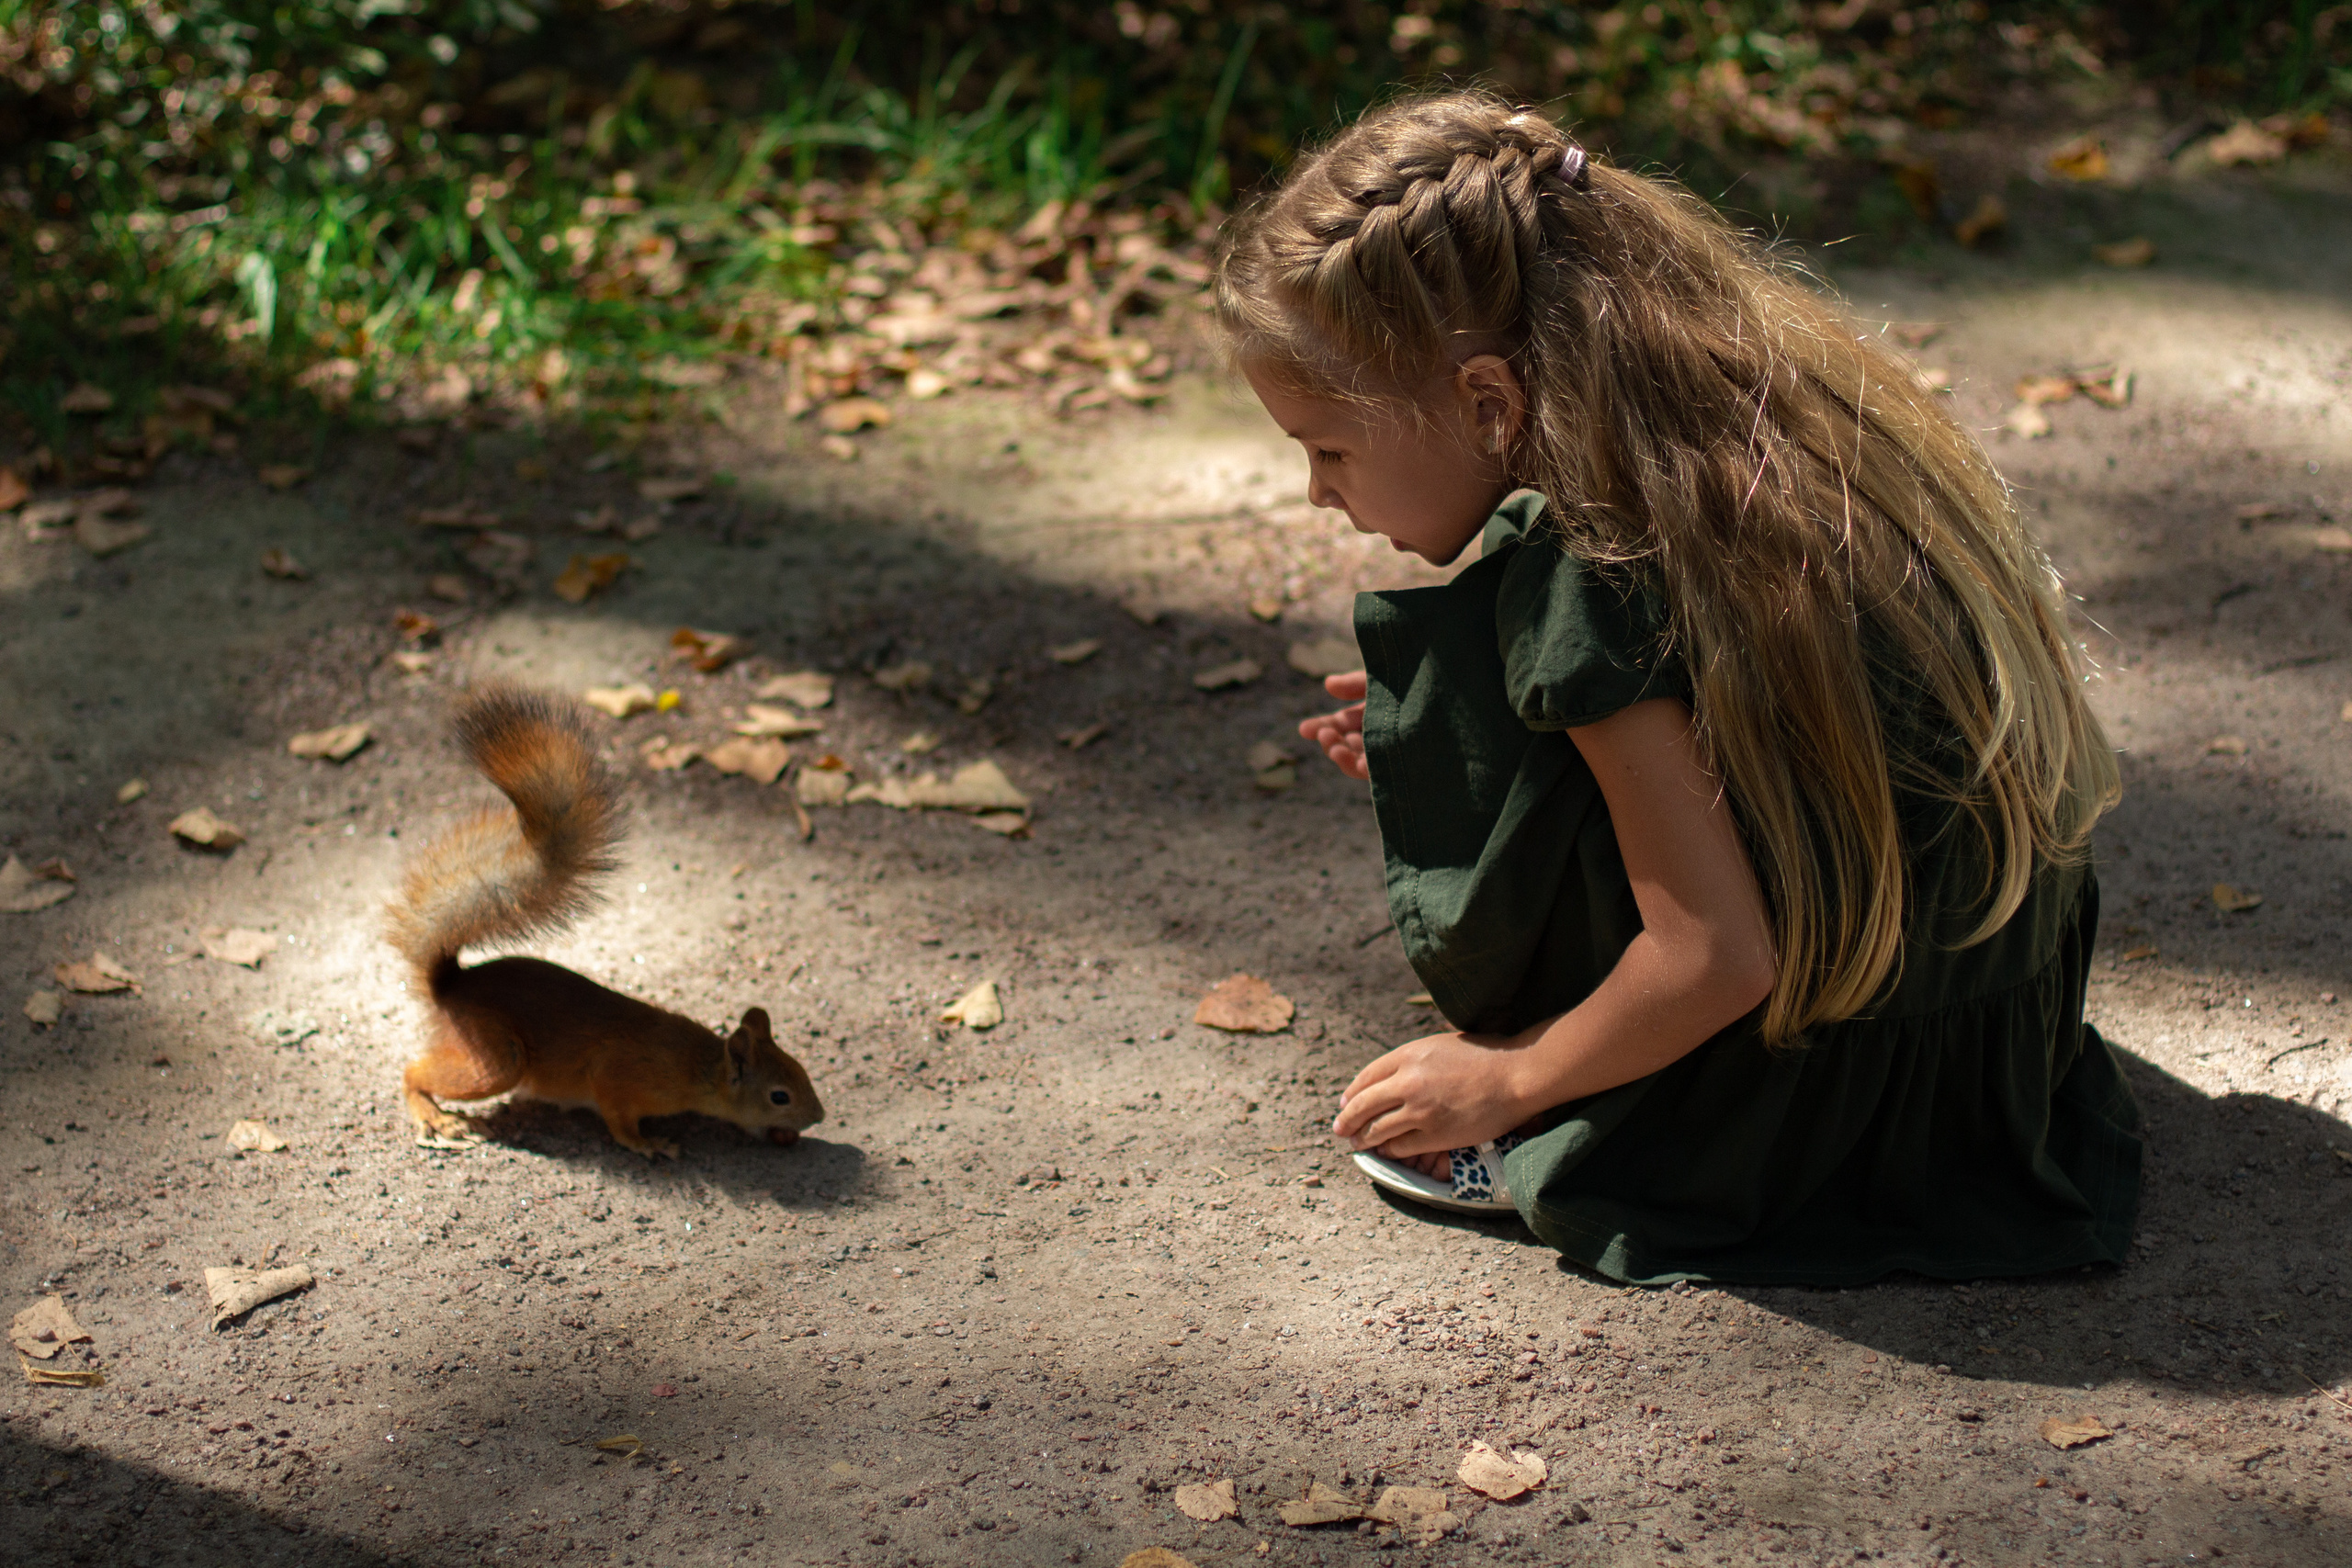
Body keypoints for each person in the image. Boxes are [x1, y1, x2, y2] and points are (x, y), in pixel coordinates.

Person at [1214, 91, 2142, 1286]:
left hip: (1858, 1092)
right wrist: (1498, 718)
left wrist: (1507, 1080)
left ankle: (1616, 1107)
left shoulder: (1595, 574)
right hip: (2005, 1017)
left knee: (1580, 1024)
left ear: (1488, 402)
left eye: (1328, 448)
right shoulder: (1747, 407)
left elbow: (1715, 959)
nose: (1316, 492)